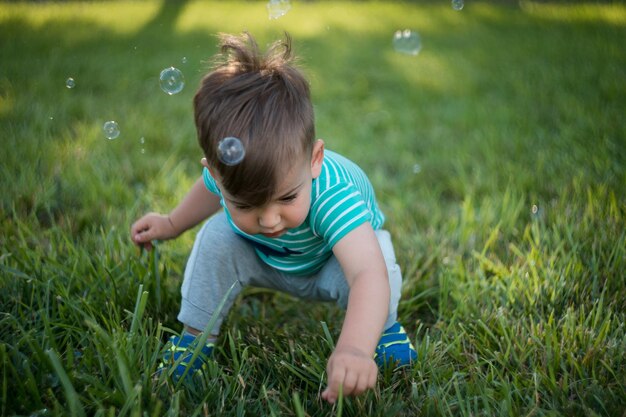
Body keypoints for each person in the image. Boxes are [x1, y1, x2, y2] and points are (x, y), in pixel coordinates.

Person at [130, 32, 416, 404]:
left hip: (333, 264)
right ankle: (195, 337)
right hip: (266, 258)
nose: (268, 220)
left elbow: (365, 274)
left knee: (379, 263)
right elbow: (207, 191)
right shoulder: (227, 173)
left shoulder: (332, 195)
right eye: (246, 205)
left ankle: (384, 329)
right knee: (217, 235)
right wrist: (172, 223)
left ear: (314, 161)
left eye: (287, 198)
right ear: (218, 175)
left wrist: (355, 349)